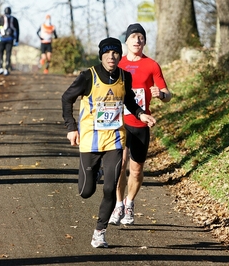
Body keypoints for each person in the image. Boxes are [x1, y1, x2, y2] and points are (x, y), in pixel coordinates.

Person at [61, 37, 156, 248]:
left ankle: (99, 232)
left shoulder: (125, 76)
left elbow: (129, 99)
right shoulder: (88, 76)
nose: (111, 56)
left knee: (111, 187)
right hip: (90, 140)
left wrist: (141, 115)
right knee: (86, 191)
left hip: (115, 138)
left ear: (119, 56)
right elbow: (66, 98)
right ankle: (95, 172)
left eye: (115, 53)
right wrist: (71, 128)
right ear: (101, 55)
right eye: (107, 53)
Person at [108, 23, 172, 226]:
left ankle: (129, 202)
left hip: (140, 124)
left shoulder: (152, 65)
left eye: (141, 37)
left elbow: (167, 94)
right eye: (133, 36)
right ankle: (118, 204)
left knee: (136, 170)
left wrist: (160, 94)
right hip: (119, 123)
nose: (137, 40)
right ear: (126, 41)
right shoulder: (117, 65)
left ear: (144, 41)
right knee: (120, 166)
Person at [0, 7, 19, 76]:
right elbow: (17, 30)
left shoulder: (1, 18)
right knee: (8, 54)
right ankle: (7, 68)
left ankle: (0, 67)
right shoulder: (14, 19)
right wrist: (16, 40)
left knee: (0, 53)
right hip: (10, 39)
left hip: (1, 39)